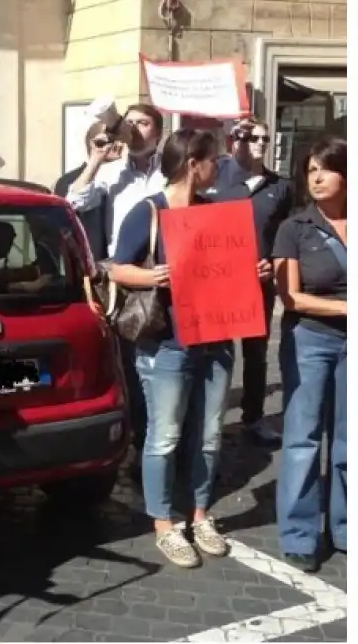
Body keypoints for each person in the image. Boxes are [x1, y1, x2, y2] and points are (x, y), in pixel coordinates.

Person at [109, 129, 272, 568]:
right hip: (167, 345)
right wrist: (153, 276)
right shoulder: (148, 213)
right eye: (213, 159)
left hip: (215, 341)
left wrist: (253, 269)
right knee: (164, 437)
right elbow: (116, 269)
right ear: (192, 163)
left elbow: (227, 269)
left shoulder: (215, 214)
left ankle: (200, 515)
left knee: (209, 434)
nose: (218, 166)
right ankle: (164, 522)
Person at [64, 101, 166, 473]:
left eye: (144, 123)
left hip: (165, 272)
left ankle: (167, 441)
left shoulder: (169, 169)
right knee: (131, 366)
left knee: (167, 361)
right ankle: (142, 443)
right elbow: (72, 202)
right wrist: (96, 158)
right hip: (124, 276)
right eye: (131, 122)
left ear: (158, 130)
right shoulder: (112, 173)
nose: (136, 129)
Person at [273, 137, 347, 573]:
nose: (316, 177)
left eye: (326, 168)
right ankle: (300, 535)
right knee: (303, 439)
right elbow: (292, 296)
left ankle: (343, 527)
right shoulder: (294, 227)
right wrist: (345, 307)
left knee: (348, 441)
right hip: (311, 339)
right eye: (310, 170)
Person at [210, 119, 294, 445]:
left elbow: (287, 234)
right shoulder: (214, 180)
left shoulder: (280, 186)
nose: (259, 143)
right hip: (216, 284)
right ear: (234, 141)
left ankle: (254, 418)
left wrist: (273, 265)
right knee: (216, 352)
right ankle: (210, 421)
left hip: (258, 284)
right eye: (250, 137)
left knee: (256, 353)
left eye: (264, 138)